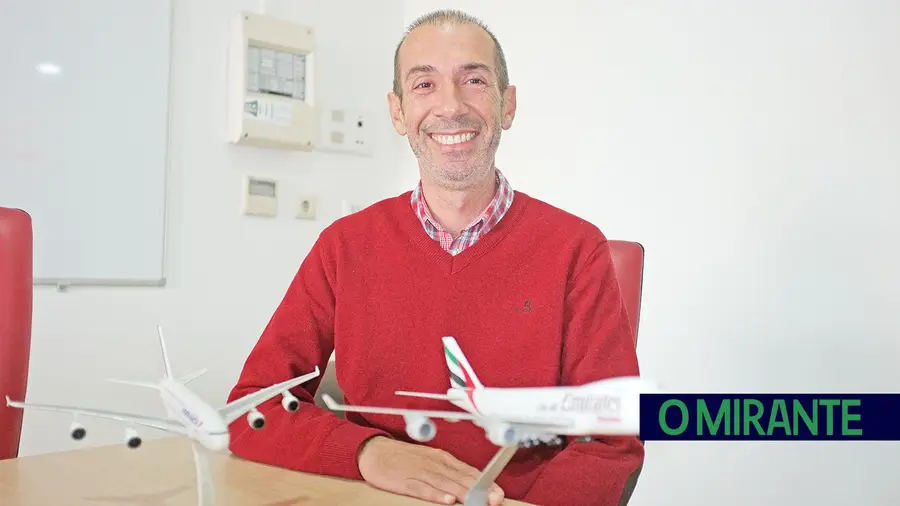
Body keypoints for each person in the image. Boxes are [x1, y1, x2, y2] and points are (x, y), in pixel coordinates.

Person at [226, 9, 644, 506]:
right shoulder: (343, 246)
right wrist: (368, 452)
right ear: (398, 112)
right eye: (424, 84)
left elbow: (610, 443)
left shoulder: (576, 249)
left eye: (474, 80)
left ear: (507, 105)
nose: (450, 105)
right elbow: (253, 408)